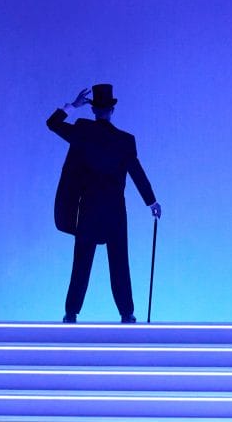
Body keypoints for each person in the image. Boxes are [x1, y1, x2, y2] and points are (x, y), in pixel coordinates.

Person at [47, 83, 161, 323]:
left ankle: (70, 313)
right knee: (119, 263)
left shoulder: (83, 131)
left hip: (88, 208)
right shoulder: (124, 141)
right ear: (112, 110)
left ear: (93, 110)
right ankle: (127, 314)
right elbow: (136, 172)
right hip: (115, 211)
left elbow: (53, 124)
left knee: (81, 263)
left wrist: (73, 106)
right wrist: (151, 202)